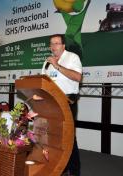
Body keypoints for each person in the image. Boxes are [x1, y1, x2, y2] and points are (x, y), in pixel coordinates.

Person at [42, 34, 82, 176]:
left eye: (57, 43)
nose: (53, 46)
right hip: (51, 103)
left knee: (68, 136)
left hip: (67, 101)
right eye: (51, 44)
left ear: (63, 45)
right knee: (55, 137)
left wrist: (57, 65)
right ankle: (62, 166)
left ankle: (75, 170)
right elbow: (43, 81)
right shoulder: (47, 62)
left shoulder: (72, 57)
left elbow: (78, 77)